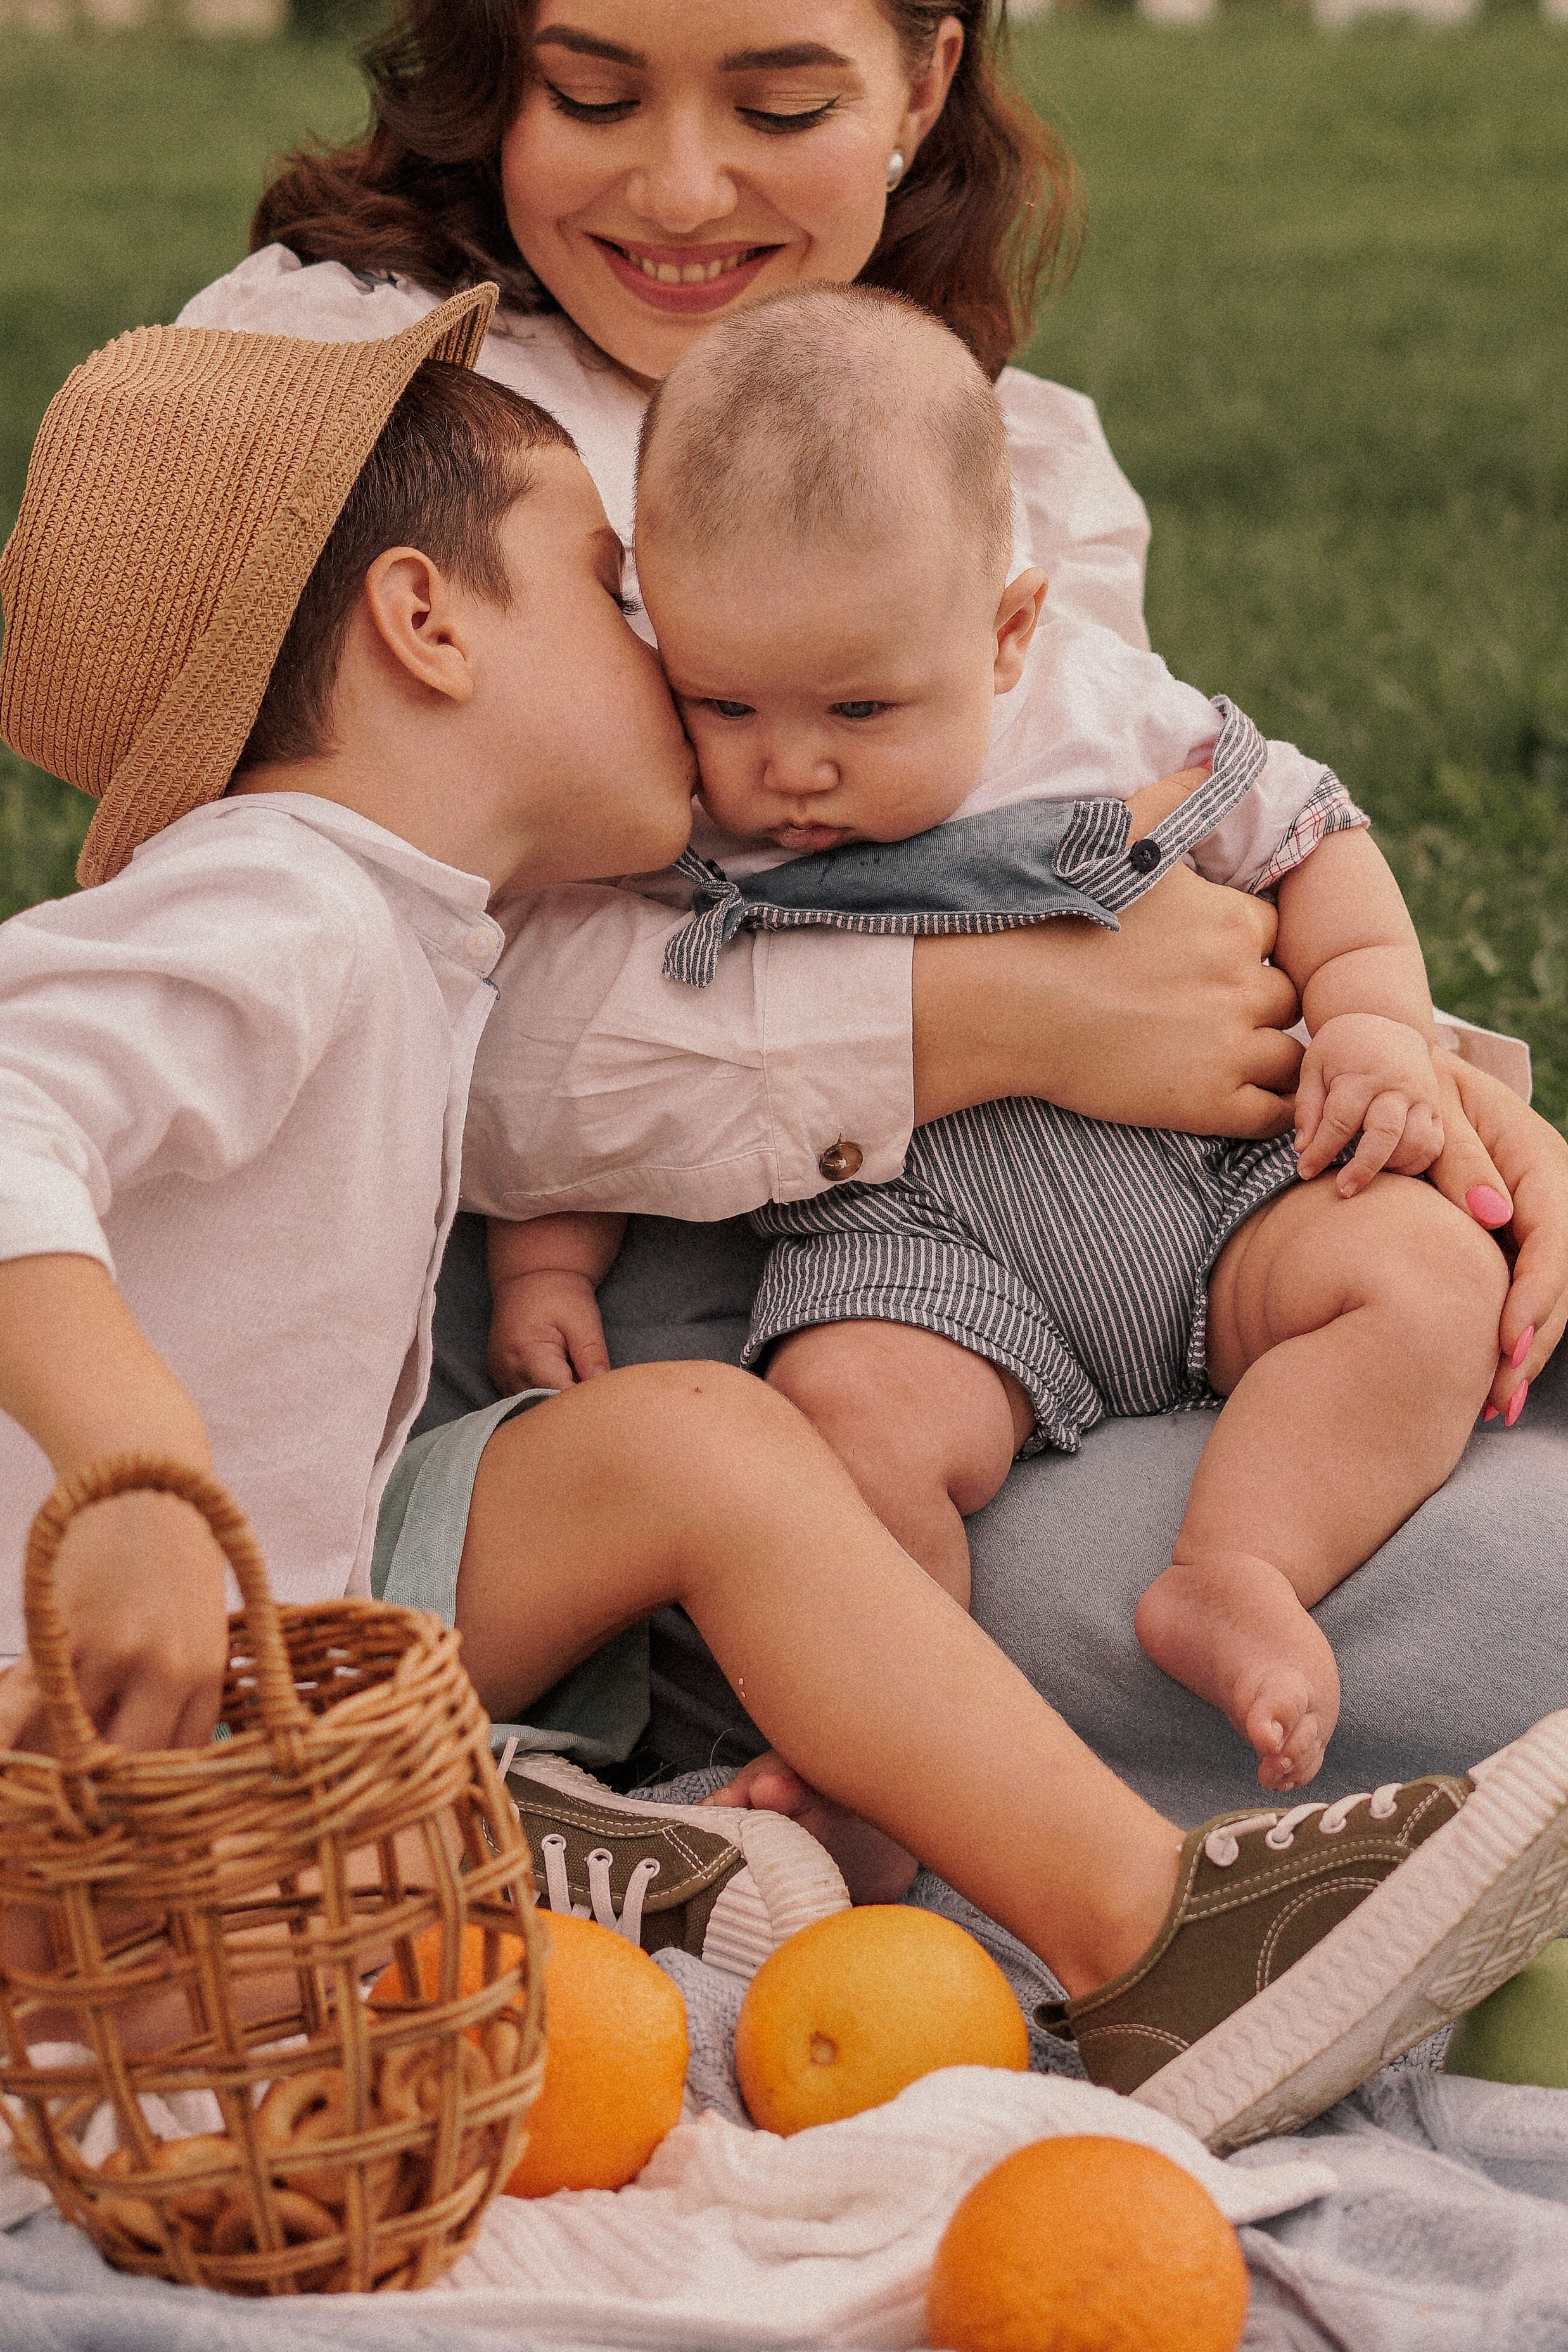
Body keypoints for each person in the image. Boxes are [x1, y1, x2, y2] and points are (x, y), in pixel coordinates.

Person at [9, 309, 1568, 2158]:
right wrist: (125, 1467)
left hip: (304, 1607)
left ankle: (1040, 1911)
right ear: (427, 626)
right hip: (98, 1639)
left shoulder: (416, 924)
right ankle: (1135, 1926)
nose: (662, 652)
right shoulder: (280, 900)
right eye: (607, 584)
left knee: (703, 1452)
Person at [174, 0, 1568, 1816]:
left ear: (923, 76)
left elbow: (1158, 840)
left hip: (1166, 1209)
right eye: (589, 92)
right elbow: (352, 1016)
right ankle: (908, 1787)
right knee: (1463, 1608)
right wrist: (988, 1020)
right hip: (775, 1303)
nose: (679, 186)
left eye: (779, 100)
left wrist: (1421, 1065)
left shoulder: (1009, 454)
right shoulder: (364, 405)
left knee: (1454, 1367)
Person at [487, 283, 1519, 1812]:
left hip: (1209, 1188)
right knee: (840, 1430)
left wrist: (1370, 1014)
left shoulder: (1097, 717)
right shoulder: (677, 801)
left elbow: (1308, 832)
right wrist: (543, 1268)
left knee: (1425, 1282)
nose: (790, 764)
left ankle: (1236, 1566)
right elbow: (597, 1049)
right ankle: (887, 1760)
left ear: (1006, 633)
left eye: (858, 703)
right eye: (726, 701)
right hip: (914, 1248)